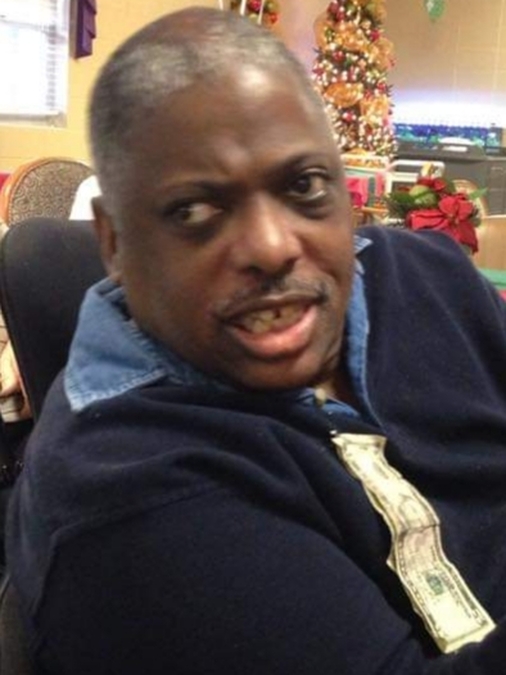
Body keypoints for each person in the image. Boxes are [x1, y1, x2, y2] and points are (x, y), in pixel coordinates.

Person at [5, 6, 506, 674]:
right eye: (194, 210)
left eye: (304, 185)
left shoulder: (430, 279)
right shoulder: (129, 493)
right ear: (115, 240)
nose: (272, 247)